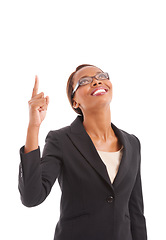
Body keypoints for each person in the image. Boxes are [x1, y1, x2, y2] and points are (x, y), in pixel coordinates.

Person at [18, 64, 148, 240]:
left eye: (101, 76)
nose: (96, 81)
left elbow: (136, 212)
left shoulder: (132, 143)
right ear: (75, 102)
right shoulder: (61, 140)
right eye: (84, 81)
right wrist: (34, 127)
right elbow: (31, 196)